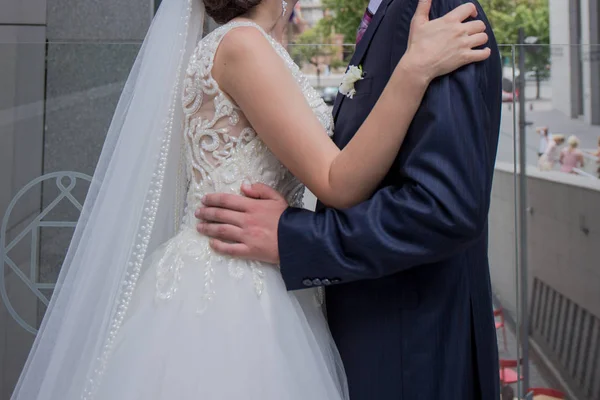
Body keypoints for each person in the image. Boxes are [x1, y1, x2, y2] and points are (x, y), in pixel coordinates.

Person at [11, 0, 489, 399]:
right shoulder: (242, 46)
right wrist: (412, 70)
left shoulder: (258, 47)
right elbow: (337, 181)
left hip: (264, 272)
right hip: (230, 288)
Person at [196, 0, 502, 398]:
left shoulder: (432, 9)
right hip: (253, 296)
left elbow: (444, 206)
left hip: (412, 355)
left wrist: (294, 237)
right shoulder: (246, 45)